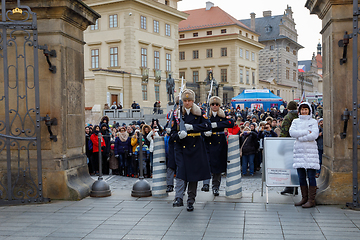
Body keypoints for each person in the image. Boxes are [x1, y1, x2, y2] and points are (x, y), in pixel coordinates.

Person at [171, 89, 211, 211]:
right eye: (185, 100)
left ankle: (191, 200)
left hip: (195, 147)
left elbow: (207, 125)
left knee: (193, 175)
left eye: (189, 100)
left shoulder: (199, 112)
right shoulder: (177, 114)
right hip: (181, 147)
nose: (187, 103)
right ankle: (178, 197)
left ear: (193, 101)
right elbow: (171, 133)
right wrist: (179, 135)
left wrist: (192, 127)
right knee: (181, 172)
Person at [290, 102, 320, 208]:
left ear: (309, 110)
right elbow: (292, 132)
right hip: (299, 152)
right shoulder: (295, 121)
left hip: (311, 152)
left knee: (311, 176)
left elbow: (314, 135)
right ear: (299, 110)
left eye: (306, 109)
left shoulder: (313, 121)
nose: (304, 111)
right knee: (301, 176)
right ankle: (304, 198)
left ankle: (311, 200)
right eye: (302, 109)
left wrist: (301, 137)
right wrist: (306, 131)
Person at [203, 96, 234, 196]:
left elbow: (231, 123)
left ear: (219, 105)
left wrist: (216, 125)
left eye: (216, 104)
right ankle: (206, 184)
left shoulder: (223, 115)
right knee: (207, 164)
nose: (214, 106)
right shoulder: (206, 115)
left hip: (219, 141)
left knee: (217, 166)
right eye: (212, 104)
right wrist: (205, 132)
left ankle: (215, 187)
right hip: (208, 141)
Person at [280, 101, 299, 195]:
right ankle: (296, 187)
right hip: (299, 144)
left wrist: (280, 143)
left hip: (289, 145)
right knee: (297, 166)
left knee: (289, 166)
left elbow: (284, 131)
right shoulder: (299, 116)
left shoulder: (288, 117)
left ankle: (290, 187)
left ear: (288, 108)